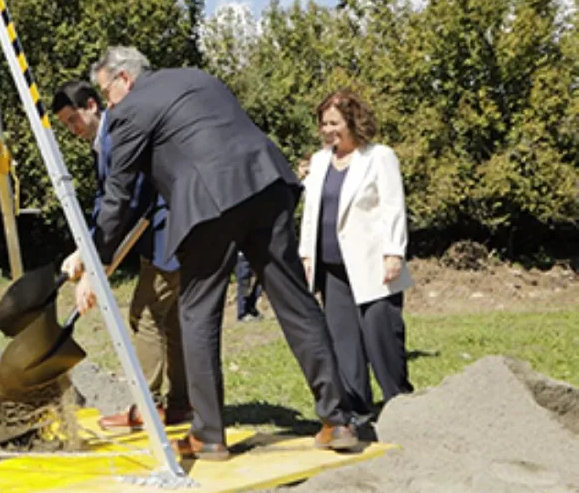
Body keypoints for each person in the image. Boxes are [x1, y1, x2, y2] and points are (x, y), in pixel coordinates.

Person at [68, 46, 359, 462]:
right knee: (295, 302)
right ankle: (338, 421)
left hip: (208, 202)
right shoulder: (197, 77)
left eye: (106, 92)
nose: (108, 104)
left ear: (124, 80)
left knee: (197, 313)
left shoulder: (130, 109)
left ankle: (207, 435)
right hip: (267, 183)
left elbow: (119, 194)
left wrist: (96, 264)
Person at [52, 80, 190, 431]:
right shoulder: (102, 144)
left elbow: (126, 201)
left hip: (167, 233)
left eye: (73, 119)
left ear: (91, 106)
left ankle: (148, 406)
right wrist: (83, 249)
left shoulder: (118, 137)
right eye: (66, 125)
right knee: (170, 319)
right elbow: (105, 204)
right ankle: (180, 403)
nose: (73, 129)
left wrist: (96, 265)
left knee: (145, 314)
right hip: (158, 237)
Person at [299, 90, 414, 425]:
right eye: (324, 124)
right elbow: (312, 213)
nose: (327, 130)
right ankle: (358, 416)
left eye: (334, 123)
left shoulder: (379, 157)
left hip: (373, 267)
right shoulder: (319, 162)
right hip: (331, 269)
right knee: (344, 346)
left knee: (383, 341)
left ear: (353, 122)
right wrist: (306, 254)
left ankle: (401, 408)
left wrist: (394, 253)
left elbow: (393, 206)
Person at [235, 251, 263, 322]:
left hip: (255, 254)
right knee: (244, 284)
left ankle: (250, 307)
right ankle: (242, 313)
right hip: (242, 256)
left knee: (262, 280)